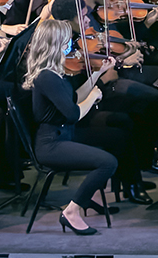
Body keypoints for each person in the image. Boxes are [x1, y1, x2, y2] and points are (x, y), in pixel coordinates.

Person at [25, 19, 121, 235]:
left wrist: (97, 74)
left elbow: (74, 97)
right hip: (52, 144)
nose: (71, 45)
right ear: (55, 44)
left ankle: (91, 196)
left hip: (62, 135)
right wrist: (94, 97)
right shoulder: (47, 77)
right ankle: (72, 211)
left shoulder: (54, 72)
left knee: (115, 137)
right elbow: (73, 113)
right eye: (66, 42)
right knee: (108, 163)